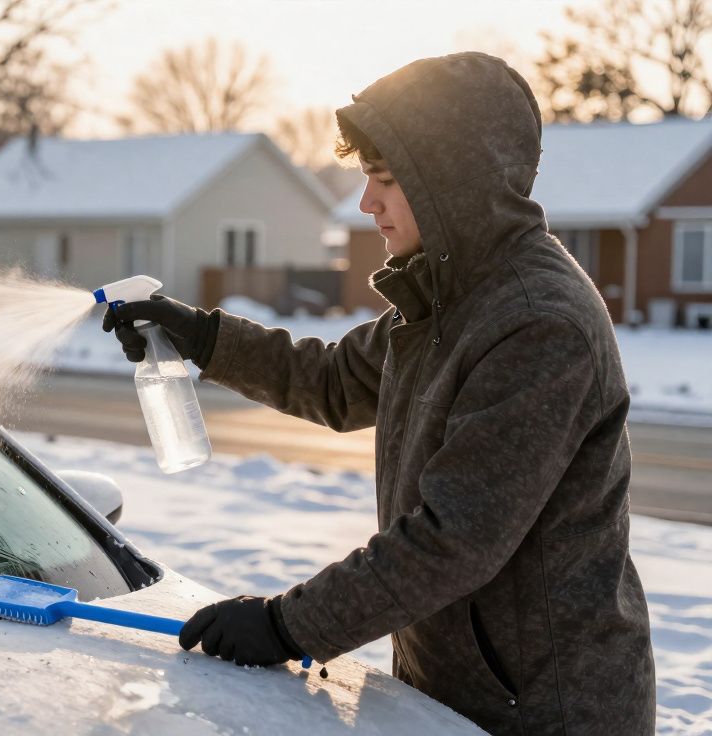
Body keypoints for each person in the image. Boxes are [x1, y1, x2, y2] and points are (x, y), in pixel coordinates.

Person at [104, 52, 655, 735]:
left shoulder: (537, 323)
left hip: (546, 712)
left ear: (454, 185)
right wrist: (204, 338)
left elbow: (454, 539)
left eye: (387, 181)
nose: (368, 205)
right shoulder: (443, 301)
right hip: (456, 694)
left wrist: (287, 625)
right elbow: (334, 381)